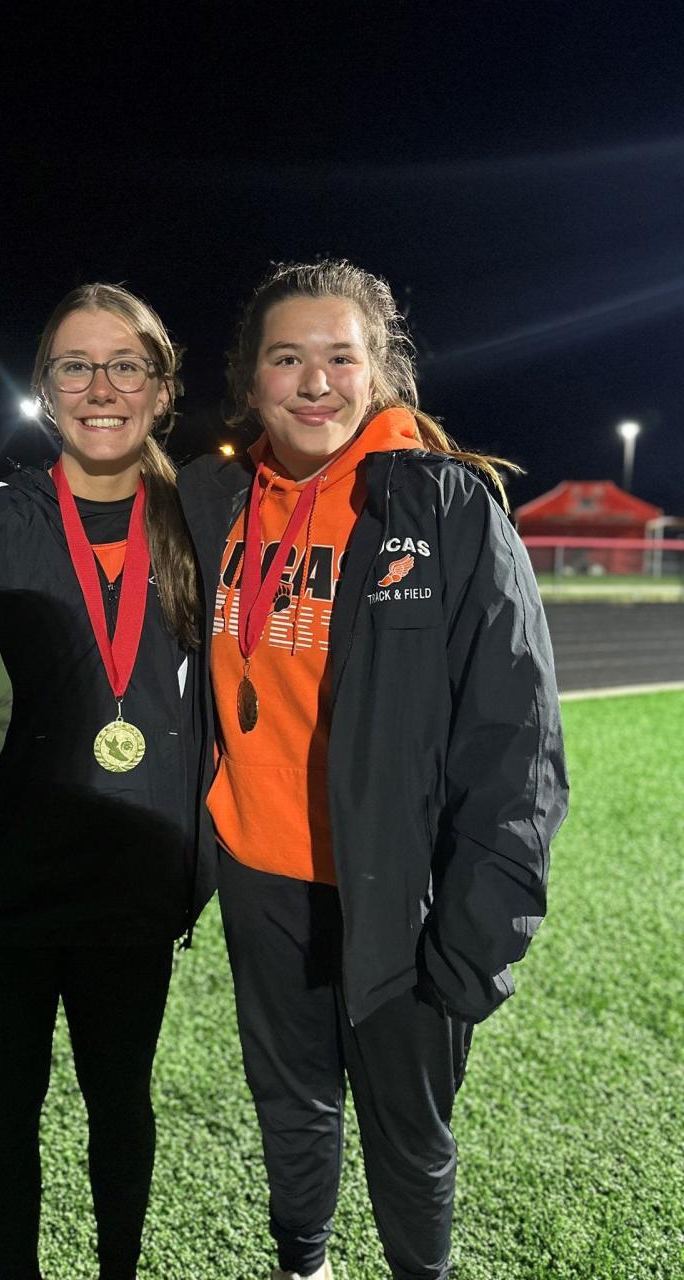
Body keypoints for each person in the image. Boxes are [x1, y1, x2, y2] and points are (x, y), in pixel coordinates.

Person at [177, 260, 568, 1280]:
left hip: (404, 892)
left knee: (409, 1135)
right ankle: (300, 1262)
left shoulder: (447, 507)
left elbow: (517, 740)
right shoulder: (215, 500)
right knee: (292, 1103)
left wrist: (481, 931)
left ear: (379, 370)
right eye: (287, 357)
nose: (314, 381)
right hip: (262, 882)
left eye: (339, 357)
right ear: (251, 378)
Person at [0, 283, 213, 1280]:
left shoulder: (200, 525)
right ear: (45, 390)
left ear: (159, 389)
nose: (100, 385)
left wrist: (197, 871)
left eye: (126, 365)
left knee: (124, 1109)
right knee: (4, 1113)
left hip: (136, 900)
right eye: (76, 364)